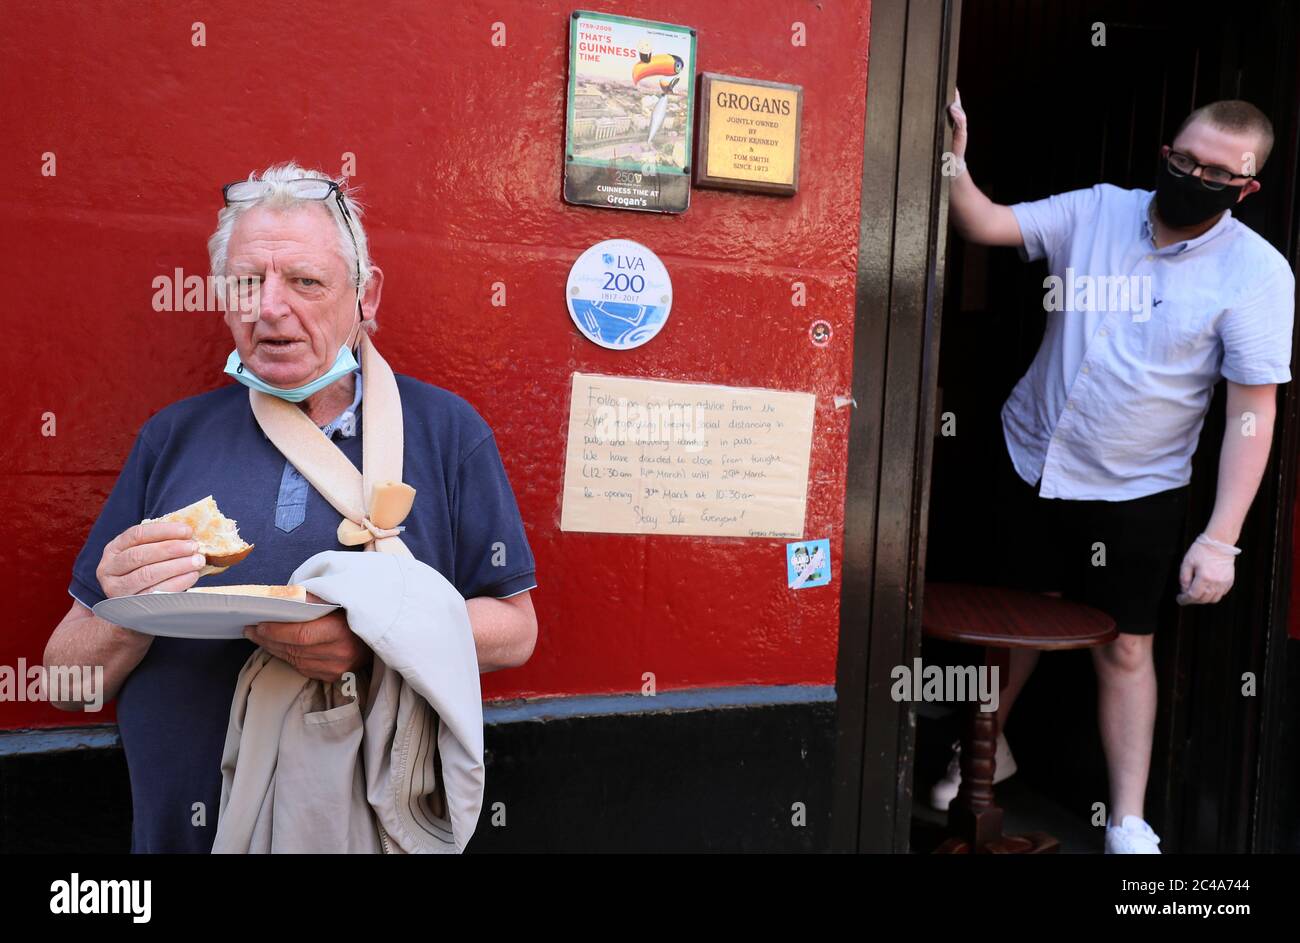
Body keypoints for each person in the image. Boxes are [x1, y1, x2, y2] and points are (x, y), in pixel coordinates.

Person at [43, 163, 539, 853]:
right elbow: (68, 682)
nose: (269, 308)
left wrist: (372, 639)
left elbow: (516, 630)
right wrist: (126, 613)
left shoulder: (447, 432)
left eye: (305, 281)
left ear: (366, 294)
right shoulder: (171, 436)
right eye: (247, 282)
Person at [934, 93, 1295, 853]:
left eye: (1213, 171)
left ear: (1246, 187)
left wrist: (1221, 538)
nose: (1191, 174)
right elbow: (986, 222)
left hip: (1141, 487)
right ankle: (983, 757)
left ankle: (1127, 820)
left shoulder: (1259, 273)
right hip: (1032, 454)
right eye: (1181, 158)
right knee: (1011, 627)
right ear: (1166, 150)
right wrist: (952, 159)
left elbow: (1249, 414)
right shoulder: (1099, 209)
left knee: (1126, 646)